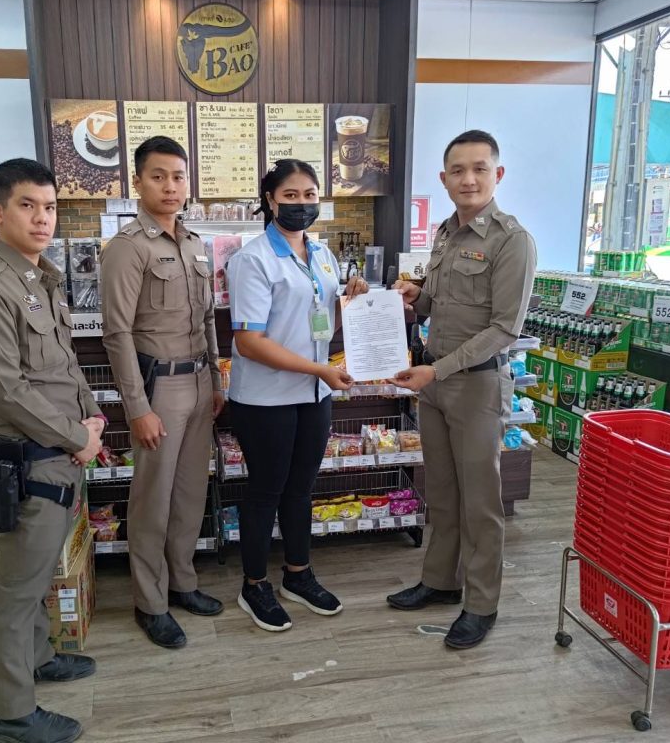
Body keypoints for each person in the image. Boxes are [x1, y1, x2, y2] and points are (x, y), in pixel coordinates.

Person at [0, 158, 103, 743]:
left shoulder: (42, 278)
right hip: (28, 459)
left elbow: (64, 364)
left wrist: (91, 414)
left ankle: (39, 658)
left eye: (50, 207)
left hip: (59, 454)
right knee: (15, 591)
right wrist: (78, 437)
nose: (43, 219)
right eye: (27, 206)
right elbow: (7, 391)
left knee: (38, 573)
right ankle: (9, 716)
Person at [386, 130, 537, 649]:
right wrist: (414, 295)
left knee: (481, 502)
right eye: (457, 170)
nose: (468, 179)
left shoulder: (512, 240)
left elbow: (505, 328)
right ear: (444, 178)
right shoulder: (447, 233)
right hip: (435, 383)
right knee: (443, 493)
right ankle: (440, 581)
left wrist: (439, 369)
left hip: (474, 385)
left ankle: (481, 604)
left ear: (498, 174)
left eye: (479, 168)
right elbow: (436, 304)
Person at [226, 159, 368, 632]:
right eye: (291, 195)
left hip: (314, 394)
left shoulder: (323, 255)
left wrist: (353, 302)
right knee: (266, 490)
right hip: (266, 399)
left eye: (310, 195)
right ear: (270, 200)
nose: (302, 204)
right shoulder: (251, 260)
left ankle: (297, 574)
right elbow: (250, 341)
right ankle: (253, 584)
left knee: (302, 489)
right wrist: (318, 369)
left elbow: (321, 327)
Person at [100, 136, 224, 650]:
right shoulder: (127, 247)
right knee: (153, 500)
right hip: (160, 389)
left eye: (178, 176)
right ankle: (150, 602)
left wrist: (216, 379)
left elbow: (208, 317)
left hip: (199, 383)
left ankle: (183, 582)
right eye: (158, 176)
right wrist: (138, 408)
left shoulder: (194, 243)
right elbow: (117, 333)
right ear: (138, 182)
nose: (170, 186)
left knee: (190, 493)